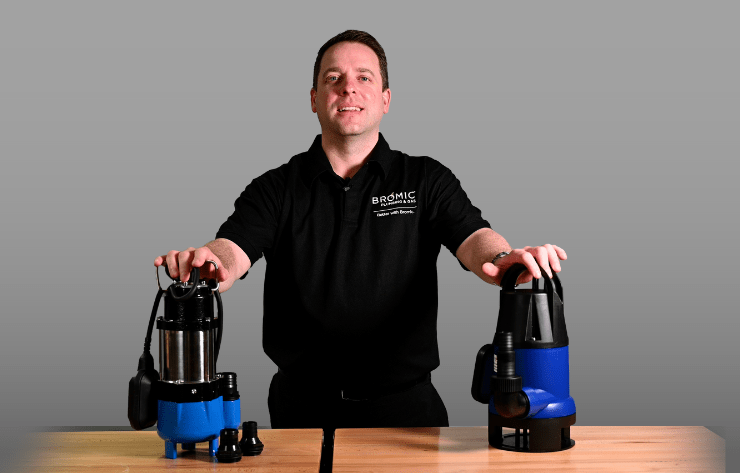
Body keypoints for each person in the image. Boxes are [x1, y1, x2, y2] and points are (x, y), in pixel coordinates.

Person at [154, 30, 567, 430]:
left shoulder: (425, 179)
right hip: (301, 412)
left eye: (364, 78)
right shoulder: (275, 188)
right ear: (314, 99)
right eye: (333, 78)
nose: (348, 88)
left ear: (385, 99)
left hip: (408, 413)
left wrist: (502, 258)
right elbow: (233, 247)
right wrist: (211, 263)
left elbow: (473, 236)